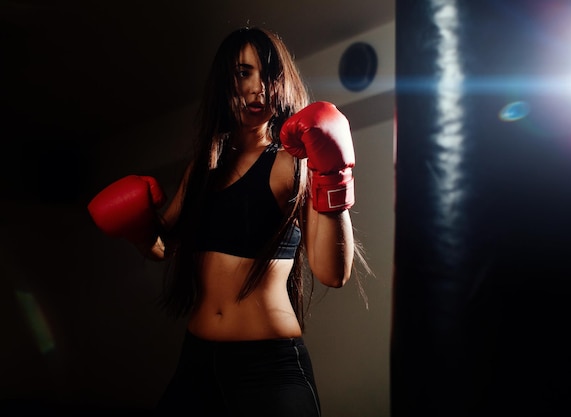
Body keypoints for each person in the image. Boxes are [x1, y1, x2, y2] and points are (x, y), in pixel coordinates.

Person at [87, 26, 367, 416]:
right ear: (224, 81)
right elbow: (164, 248)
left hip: (268, 366)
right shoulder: (203, 168)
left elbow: (332, 273)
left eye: (269, 75)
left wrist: (334, 178)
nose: (258, 88)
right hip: (197, 360)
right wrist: (137, 229)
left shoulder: (291, 162)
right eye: (243, 73)